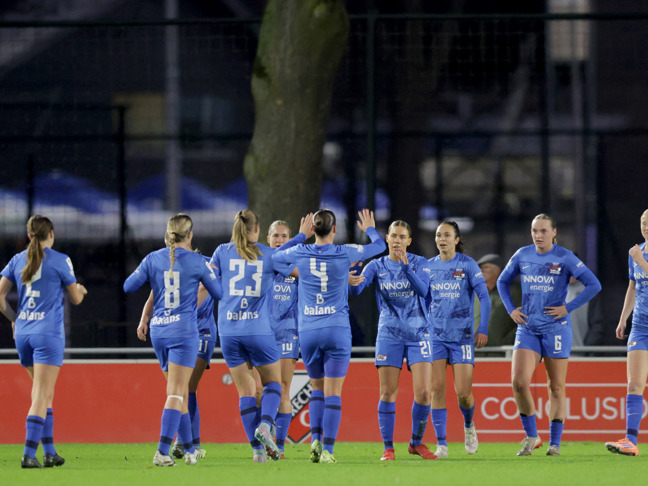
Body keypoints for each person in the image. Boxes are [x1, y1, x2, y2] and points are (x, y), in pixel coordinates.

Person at [273, 208, 387, 464]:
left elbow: (275, 257)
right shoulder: (346, 251)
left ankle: (314, 439)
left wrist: (300, 237)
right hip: (336, 328)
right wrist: (369, 228)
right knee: (333, 392)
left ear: (313, 229)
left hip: (308, 331)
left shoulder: (300, 251)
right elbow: (380, 246)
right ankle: (328, 451)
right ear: (334, 230)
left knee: (317, 388)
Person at [497, 213, 601, 456]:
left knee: (555, 387)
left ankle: (554, 443)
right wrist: (511, 309)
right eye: (534, 230)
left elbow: (594, 284)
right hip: (528, 328)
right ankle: (532, 436)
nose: (538, 235)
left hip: (556, 328)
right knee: (518, 382)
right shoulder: (522, 254)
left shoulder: (565, 256)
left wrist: (568, 307)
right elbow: (502, 282)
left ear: (554, 233)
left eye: (543, 231)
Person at [210, 210, 310, 463]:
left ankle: (259, 452)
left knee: (247, 392)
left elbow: (205, 283)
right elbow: (304, 274)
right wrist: (302, 237)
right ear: (258, 231)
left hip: (229, 331)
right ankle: (265, 426)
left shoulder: (221, 251)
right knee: (273, 385)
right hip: (259, 330)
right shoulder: (268, 255)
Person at [124, 214, 223, 467]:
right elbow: (218, 293)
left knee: (178, 393)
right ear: (190, 235)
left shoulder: (153, 259)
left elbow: (129, 286)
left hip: (159, 331)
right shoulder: (198, 262)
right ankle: (162, 451)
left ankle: (189, 450)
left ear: (168, 235)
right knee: (178, 393)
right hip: (183, 332)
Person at [0, 215, 87, 469]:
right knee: (41, 395)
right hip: (47, 334)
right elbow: (76, 299)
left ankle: (50, 452)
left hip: (24, 334)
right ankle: (29, 455)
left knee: (43, 394)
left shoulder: (18, 259)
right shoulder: (61, 260)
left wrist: (14, 319)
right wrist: (81, 290)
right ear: (51, 234)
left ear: (29, 236)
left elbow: (0, 296)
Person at [349, 220, 436, 461]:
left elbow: (423, 291)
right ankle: (388, 448)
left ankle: (416, 443)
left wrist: (407, 269)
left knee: (424, 393)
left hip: (419, 334)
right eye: (394, 236)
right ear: (387, 238)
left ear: (409, 241)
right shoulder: (376, 266)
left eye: (402, 237)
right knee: (387, 392)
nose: (397, 240)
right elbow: (356, 291)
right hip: (389, 334)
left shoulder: (420, 263)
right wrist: (354, 273)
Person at [137, 254, 217, 460]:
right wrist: (144, 318)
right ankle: (190, 445)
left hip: (202, 332)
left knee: (187, 388)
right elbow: (153, 296)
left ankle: (186, 443)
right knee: (181, 391)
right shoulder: (170, 269)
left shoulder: (207, 266)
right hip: (176, 332)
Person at [427, 221, 490, 459]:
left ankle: (469, 425)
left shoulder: (468, 265)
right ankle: (441, 444)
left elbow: (485, 297)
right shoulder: (428, 266)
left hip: (462, 337)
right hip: (435, 337)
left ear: (456, 240)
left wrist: (482, 328)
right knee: (436, 389)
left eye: (446, 235)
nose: (441, 239)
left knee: (463, 393)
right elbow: (423, 299)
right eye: (438, 235)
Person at [605, 209, 648, 456]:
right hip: (640, 327)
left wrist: (641, 261)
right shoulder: (636, 252)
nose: (646, 226)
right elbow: (633, 287)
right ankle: (630, 441)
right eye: (643, 222)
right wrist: (624, 319)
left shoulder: (637, 255)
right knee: (634, 384)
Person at [475, 254, 521, 347]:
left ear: (498, 270)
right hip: (474, 350)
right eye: (479, 268)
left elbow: (525, 318)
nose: (481, 271)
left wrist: (506, 341)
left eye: (486, 267)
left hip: (501, 351)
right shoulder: (472, 293)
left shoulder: (514, 292)